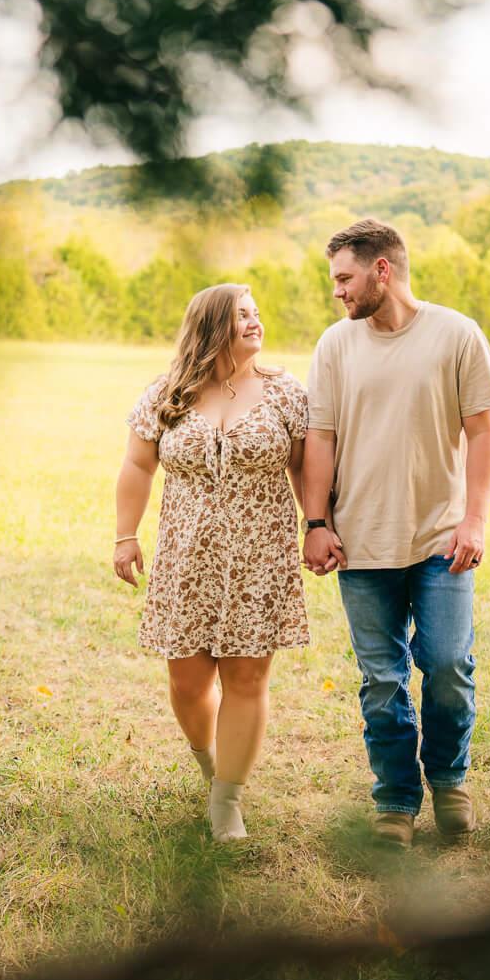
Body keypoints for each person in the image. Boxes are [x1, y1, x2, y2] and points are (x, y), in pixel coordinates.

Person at [300, 219, 490, 851]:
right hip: (360, 541)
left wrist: (474, 519)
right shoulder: (335, 345)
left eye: (345, 277)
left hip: (441, 539)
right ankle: (394, 799)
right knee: (382, 680)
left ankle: (448, 781)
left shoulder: (457, 334)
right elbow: (320, 439)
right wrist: (315, 522)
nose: (337, 290)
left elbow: (484, 432)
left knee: (447, 666)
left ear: (382, 271)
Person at [113, 283, 311, 843]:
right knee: (187, 681)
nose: (255, 321)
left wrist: (317, 525)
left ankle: (227, 798)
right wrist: (125, 536)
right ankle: (211, 766)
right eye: (241, 315)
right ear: (211, 326)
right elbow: (137, 466)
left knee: (247, 677)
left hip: (259, 555)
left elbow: (304, 467)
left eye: (257, 312)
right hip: (186, 557)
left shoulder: (285, 392)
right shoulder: (167, 393)